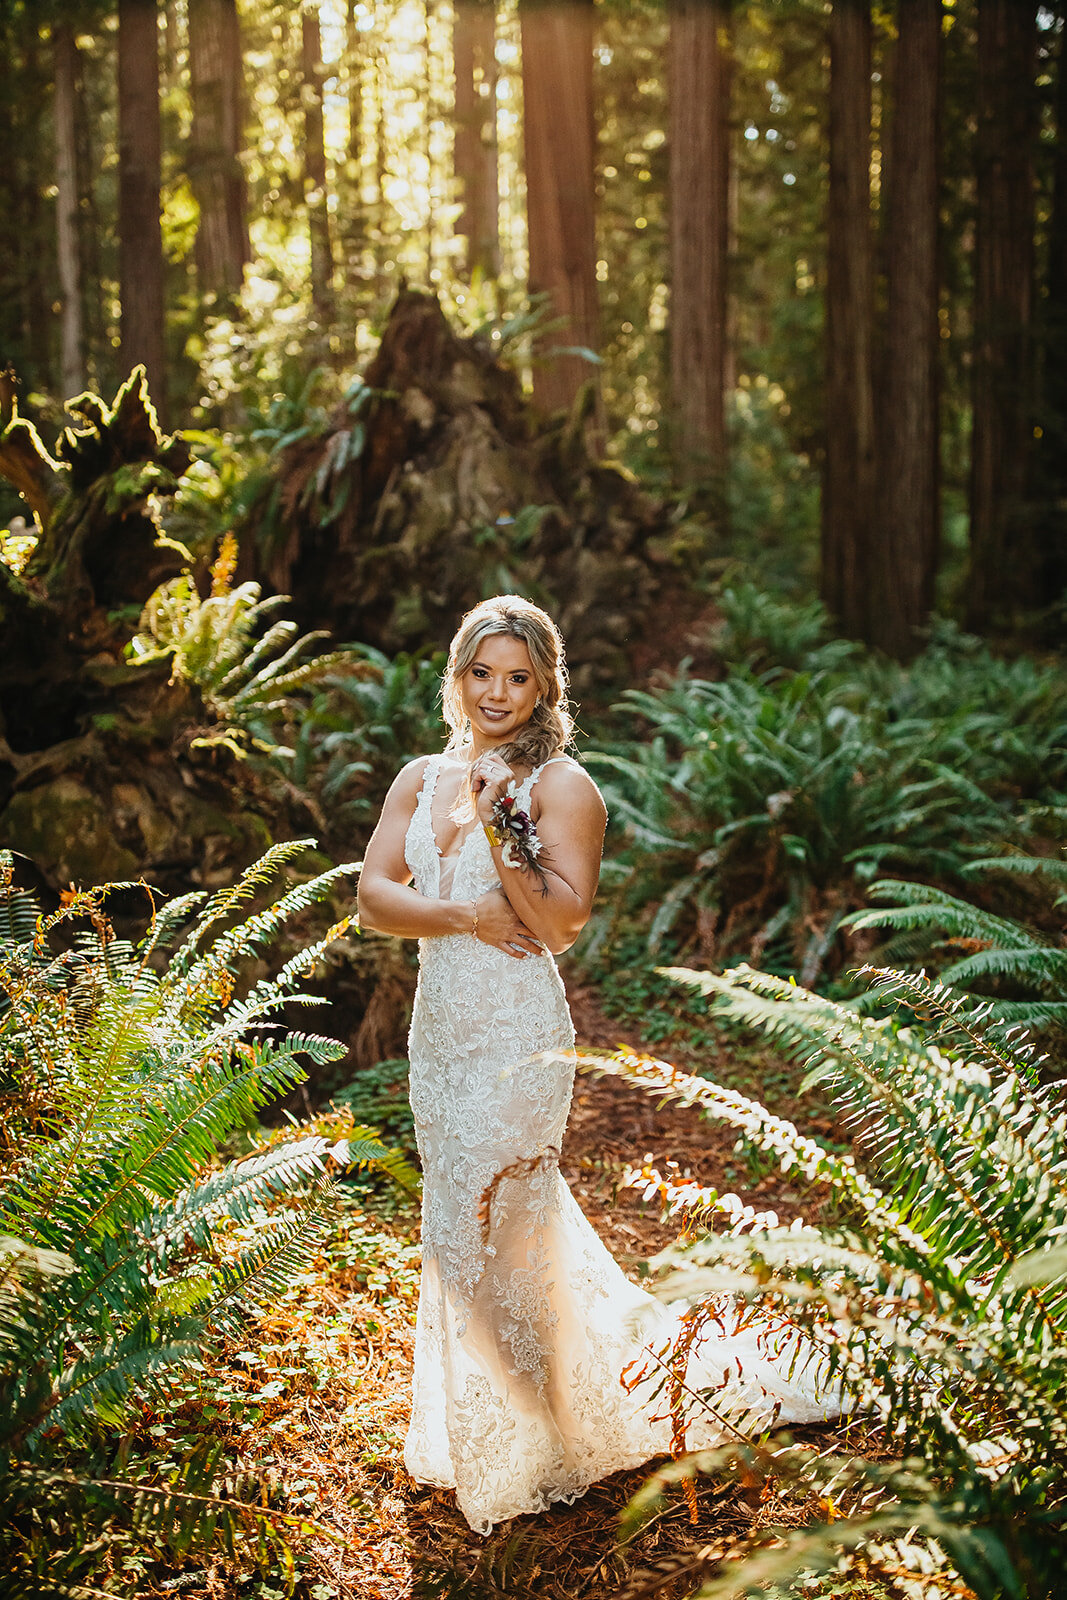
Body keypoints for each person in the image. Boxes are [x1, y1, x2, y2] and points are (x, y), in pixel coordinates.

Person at [357, 595, 836, 1535]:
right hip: (440, 1033)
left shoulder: (564, 787)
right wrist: (460, 914)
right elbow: (374, 898)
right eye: (481, 673)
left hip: (514, 1036)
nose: (496, 693)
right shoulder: (418, 777)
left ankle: (543, 1436)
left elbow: (562, 924)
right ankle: (506, 1426)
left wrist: (503, 831)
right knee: (459, 1230)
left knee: (499, 1216)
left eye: (517, 677)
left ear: (544, 687)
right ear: (457, 677)